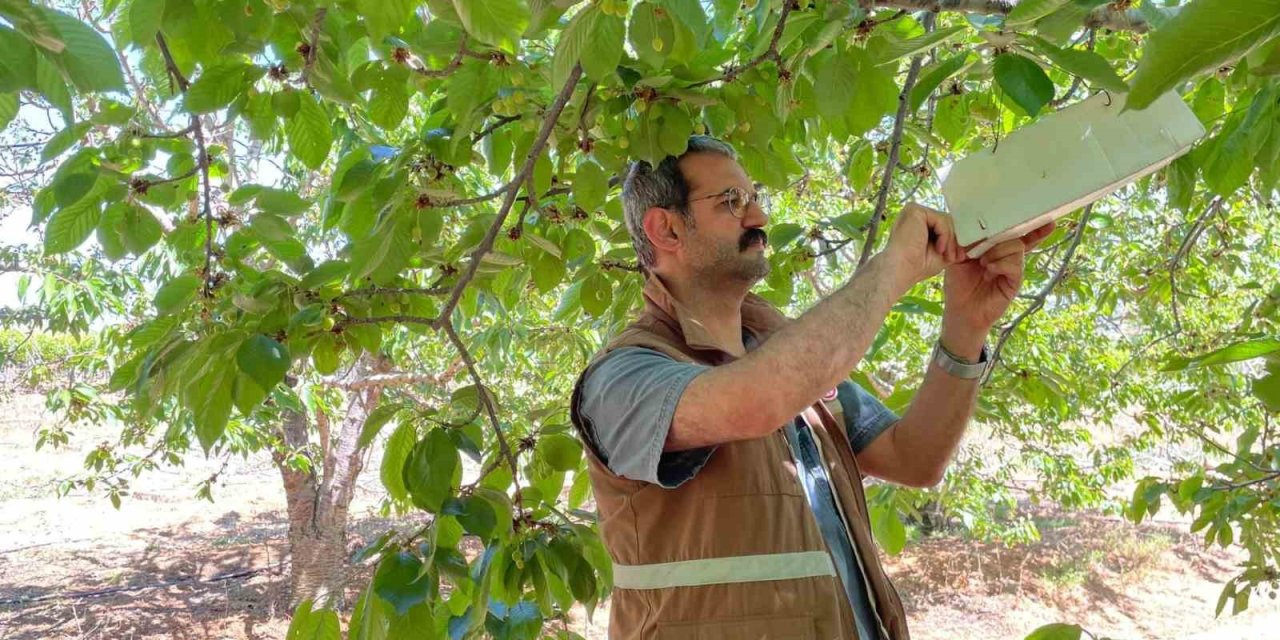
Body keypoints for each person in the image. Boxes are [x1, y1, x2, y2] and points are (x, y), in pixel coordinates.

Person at [568, 136, 1054, 640]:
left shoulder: (785, 356)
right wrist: (894, 267)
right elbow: (756, 402)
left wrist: (965, 326)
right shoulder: (623, 376)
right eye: (732, 202)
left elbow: (914, 458)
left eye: (754, 198)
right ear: (665, 228)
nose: (757, 217)